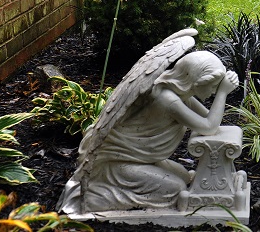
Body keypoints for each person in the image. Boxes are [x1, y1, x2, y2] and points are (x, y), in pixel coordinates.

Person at [58, 50, 239, 213]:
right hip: (117, 162)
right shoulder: (167, 100)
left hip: (141, 159)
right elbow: (209, 126)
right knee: (176, 189)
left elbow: (210, 119)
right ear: (195, 82)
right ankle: (93, 199)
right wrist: (223, 93)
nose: (214, 92)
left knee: (185, 176)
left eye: (216, 88)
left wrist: (220, 88)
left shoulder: (181, 95)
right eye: (213, 86)